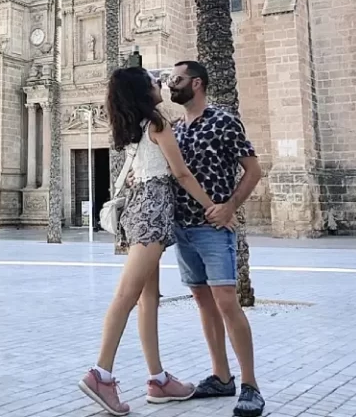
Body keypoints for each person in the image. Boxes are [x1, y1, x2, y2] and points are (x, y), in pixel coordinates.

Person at [78, 67, 221, 417]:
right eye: (153, 82)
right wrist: (213, 208)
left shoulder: (137, 127)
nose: (161, 84)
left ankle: (157, 379)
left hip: (143, 210)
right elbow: (181, 173)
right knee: (127, 295)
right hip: (153, 213)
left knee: (148, 300)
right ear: (143, 93)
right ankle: (101, 374)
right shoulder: (157, 124)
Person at [166, 60, 264, 417]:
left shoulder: (224, 121)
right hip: (183, 229)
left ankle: (251, 385)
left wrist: (229, 206)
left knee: (226, 302)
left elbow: (253, 170)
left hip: (214, 228)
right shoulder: (176, 129)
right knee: (204, 304)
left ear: (197, 84)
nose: (170, 85)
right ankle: (222, 377)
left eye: (176, 80)